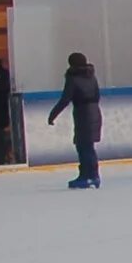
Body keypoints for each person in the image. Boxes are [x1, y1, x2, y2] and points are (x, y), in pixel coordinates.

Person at [45, 52, 104, 189]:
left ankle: (88, 176)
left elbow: (65, 99)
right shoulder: (91, 76)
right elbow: (97, 94)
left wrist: (53, 115)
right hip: (95, 111)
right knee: (88, 145)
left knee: (83, 145)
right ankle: (91, 175)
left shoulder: (73, 78)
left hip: (83, 113)